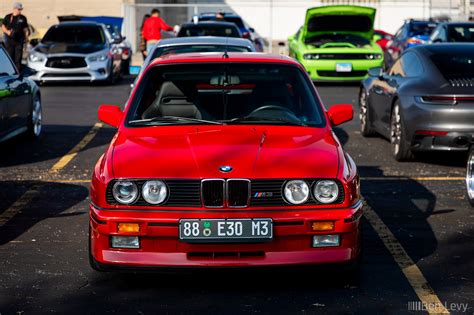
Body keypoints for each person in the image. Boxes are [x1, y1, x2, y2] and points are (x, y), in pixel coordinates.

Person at [2, 2, 29, 70]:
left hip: (19, 41)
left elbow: (25, 29)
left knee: (18, 58)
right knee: (10, 58)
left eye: (21, 9)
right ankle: (9, 71)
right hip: (9, 41)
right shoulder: (8, 17)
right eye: (19, 9)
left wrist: (26, 37)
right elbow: (3, 26)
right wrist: (7, 32)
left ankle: (18, 73)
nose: (20, 11)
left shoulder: (23, 18)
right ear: (14, 9)